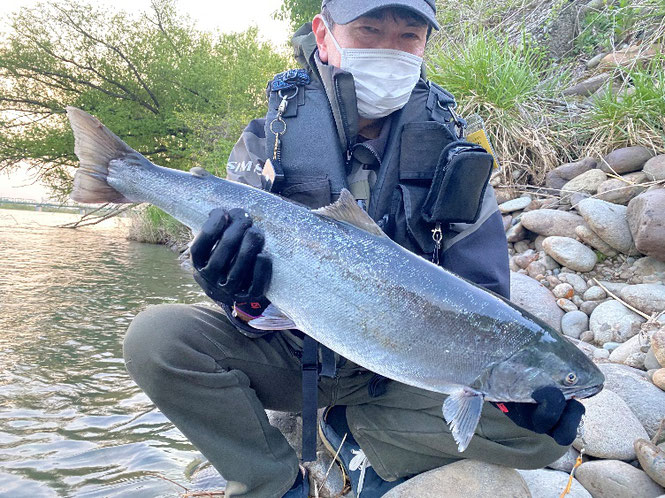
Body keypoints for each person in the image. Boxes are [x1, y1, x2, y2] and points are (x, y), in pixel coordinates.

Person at [123, 1, 585, 497]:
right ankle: (274, 482)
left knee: (540, 438)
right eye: (369, 29)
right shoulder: (269, 139)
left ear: (425, 45)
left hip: (411, 368)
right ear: (324, 34)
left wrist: (512, 393)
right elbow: (239, 302)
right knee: (156, 339)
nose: (391, 48)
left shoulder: (456, 155)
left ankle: (355, 436)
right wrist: (230, 289)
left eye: (409, 36)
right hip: (295, 353)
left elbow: (485, 296)